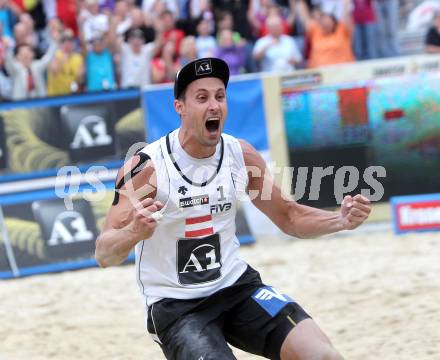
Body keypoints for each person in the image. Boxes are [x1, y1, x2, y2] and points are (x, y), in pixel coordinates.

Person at [95, 57, 371, 360]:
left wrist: (341, 220)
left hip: (237, 288)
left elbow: (289, 216)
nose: (214, 105)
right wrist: (134, 231)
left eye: (220, 96)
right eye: (202, 98)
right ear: (180, 107)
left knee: (323, 356)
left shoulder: (241, 156)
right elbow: (104, 253)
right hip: (176, 307)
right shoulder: (147, 167)